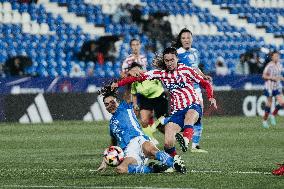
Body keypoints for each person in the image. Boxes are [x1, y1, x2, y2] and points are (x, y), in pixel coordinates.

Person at [111, 47, 217, 157]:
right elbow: (138, 78)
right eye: (167, 60)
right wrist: (118, 84)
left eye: (172, 60)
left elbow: (205, 83)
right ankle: (175, 161)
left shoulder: (187, 70)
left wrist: (211, 97)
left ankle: (185, 140)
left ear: (177, 59)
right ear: (164, 61)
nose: (170, 63)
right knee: (168, 142)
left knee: (189, 117)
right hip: (177, 111)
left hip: (193, 105)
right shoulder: (160, 73)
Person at [96, 85, 186, 174]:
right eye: (107, 104)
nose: (110, 106)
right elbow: (113, 142)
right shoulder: (111, 124)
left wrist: (127, 80)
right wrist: (105, 159)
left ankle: (175, 164)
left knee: (152, 151)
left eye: (112, 102)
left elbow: (129, 91)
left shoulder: (125, 107)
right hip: (129, 151)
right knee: (120, 169)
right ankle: (155, 168)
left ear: (117, 101)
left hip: (140, 139)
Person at [174, 28, 212, 153]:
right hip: (185, 90)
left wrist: (203, 76)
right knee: (183, 116)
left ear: (192, 39)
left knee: (199, 115)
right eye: (183, 38)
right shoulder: (177, 54)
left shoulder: (195, 52)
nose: (186, 40)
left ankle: (195, 145)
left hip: (196, 88)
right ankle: (168, 128)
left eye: (188, 37)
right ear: (180, 40)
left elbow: (196, 68)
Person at [128, 62, 169, 144]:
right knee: (143, 121)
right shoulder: (134, 82)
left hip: (159, 97)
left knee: (161, 125)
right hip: (146, 99)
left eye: (137, 69)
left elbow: (162, 78)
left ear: (141, 69)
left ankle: (171, 136)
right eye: (133, 70)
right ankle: (150, 139)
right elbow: (134, 93)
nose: (135, 72)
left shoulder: (150, 75)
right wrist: (135, 104)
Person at [262, 51, 284, 128]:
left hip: (277, 86)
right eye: (275, 56)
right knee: (269, 104)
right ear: (272, 57)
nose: (277, 58)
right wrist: (271, 78)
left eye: (278, 56)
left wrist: (281, 78)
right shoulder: (269, 65)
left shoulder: (279, 65)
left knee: (282, 102)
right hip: (269, 87)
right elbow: (264, 76)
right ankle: (264, 121)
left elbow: (279, 76)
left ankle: (273, 115)